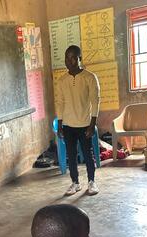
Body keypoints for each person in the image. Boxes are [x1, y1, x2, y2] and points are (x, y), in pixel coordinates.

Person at [56, 45, 101, 196]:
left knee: (88, 155)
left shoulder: (90, 77)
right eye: (66, 58)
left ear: (79, 59)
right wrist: (60, 125)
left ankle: (92, 182)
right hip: (68, 125)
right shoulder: (62, 81)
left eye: (72, 58)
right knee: (71, 155)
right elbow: (60, 103)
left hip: (85, 124)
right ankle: (75, 183)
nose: (69, 61)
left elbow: (95, 101)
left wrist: (92, 124)